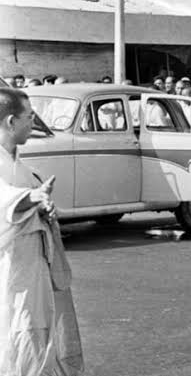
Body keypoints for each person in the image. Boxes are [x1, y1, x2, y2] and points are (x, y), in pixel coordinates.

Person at [0, 88, 84, 375]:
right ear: (11, 121)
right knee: (15, 334)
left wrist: (44, 210)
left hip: (34, 267)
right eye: (29, 116)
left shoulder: (26, 169)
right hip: (10, 270)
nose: (33, 122)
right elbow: (5, 199)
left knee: (36, 337)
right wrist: (32, 198)